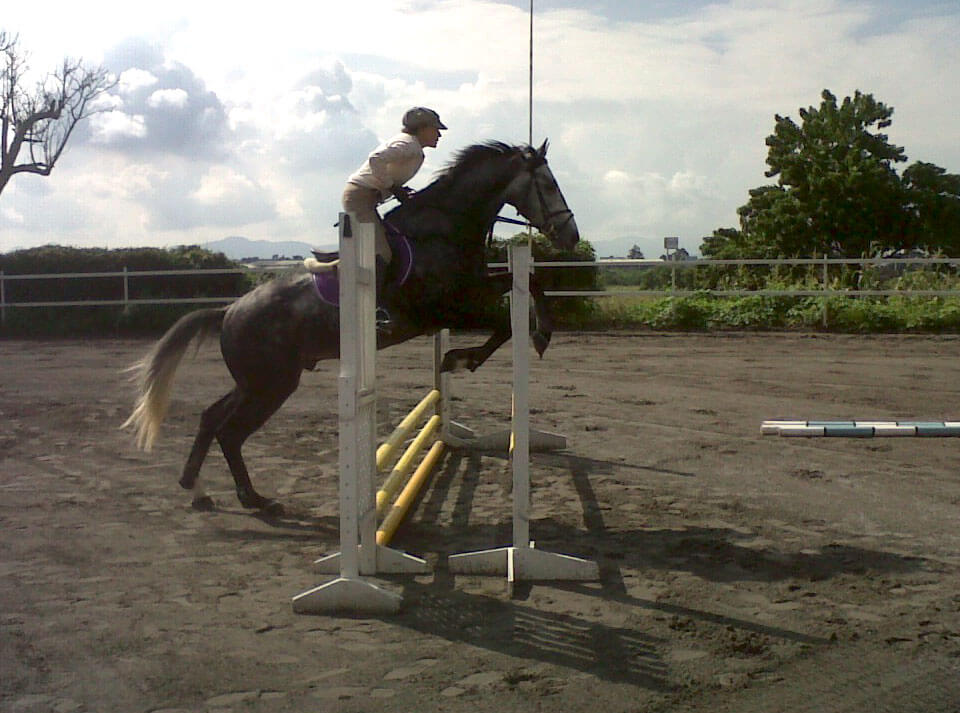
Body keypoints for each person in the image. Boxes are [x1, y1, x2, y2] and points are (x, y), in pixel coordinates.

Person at [342, 106, 447, 326]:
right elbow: (376, 158)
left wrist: (399, 189)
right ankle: (375, 309)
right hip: (361, 198)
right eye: (435, 129)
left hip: (367, 197)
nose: (439, 134)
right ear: (423, 128)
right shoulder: (408, 144)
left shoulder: (411, 145)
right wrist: (393, 186)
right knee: (383, 253)